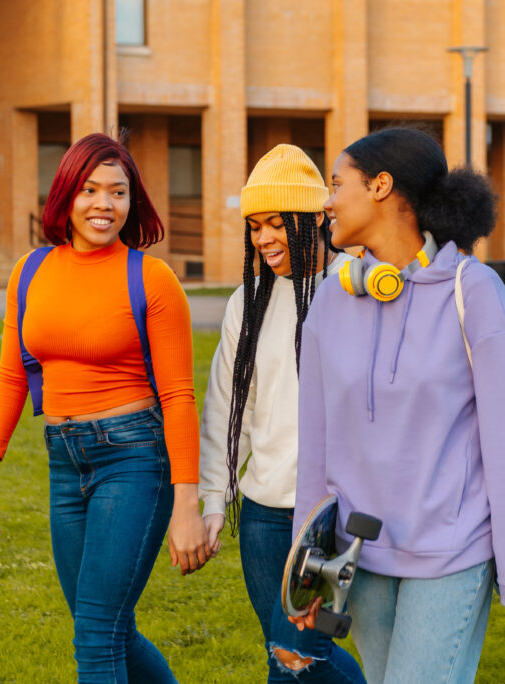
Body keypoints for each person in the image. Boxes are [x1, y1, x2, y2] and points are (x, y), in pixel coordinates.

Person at [289, 128, 505, 683]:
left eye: (338, 184)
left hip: (451, 556)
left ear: (382, 186)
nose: (327, 200)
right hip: (356, 559)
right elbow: (315, 444)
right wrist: (305, 570)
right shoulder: (328, 297)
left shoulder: (476, 292)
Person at [0, 133, 210, 683]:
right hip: (64, 461)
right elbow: (10, 375)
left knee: (96, 638)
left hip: (134, 460)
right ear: (66, 196)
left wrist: (186, 504)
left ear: (133, 200)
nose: (104, 204)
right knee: (105, 627)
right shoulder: (30, 271)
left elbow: (178, 396)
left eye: (118, 193)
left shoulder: (152, 279)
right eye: (91, 190)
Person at [198, 144, 366, 682]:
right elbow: (229, 408)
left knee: (292, 662)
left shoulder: (359, 287)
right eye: (255, 226)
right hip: (264, 516)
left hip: (328, 517)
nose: (264, 238)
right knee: (291, 654)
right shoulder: (246, 301)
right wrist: (213, 502)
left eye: (276, 223)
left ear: (314, 218)